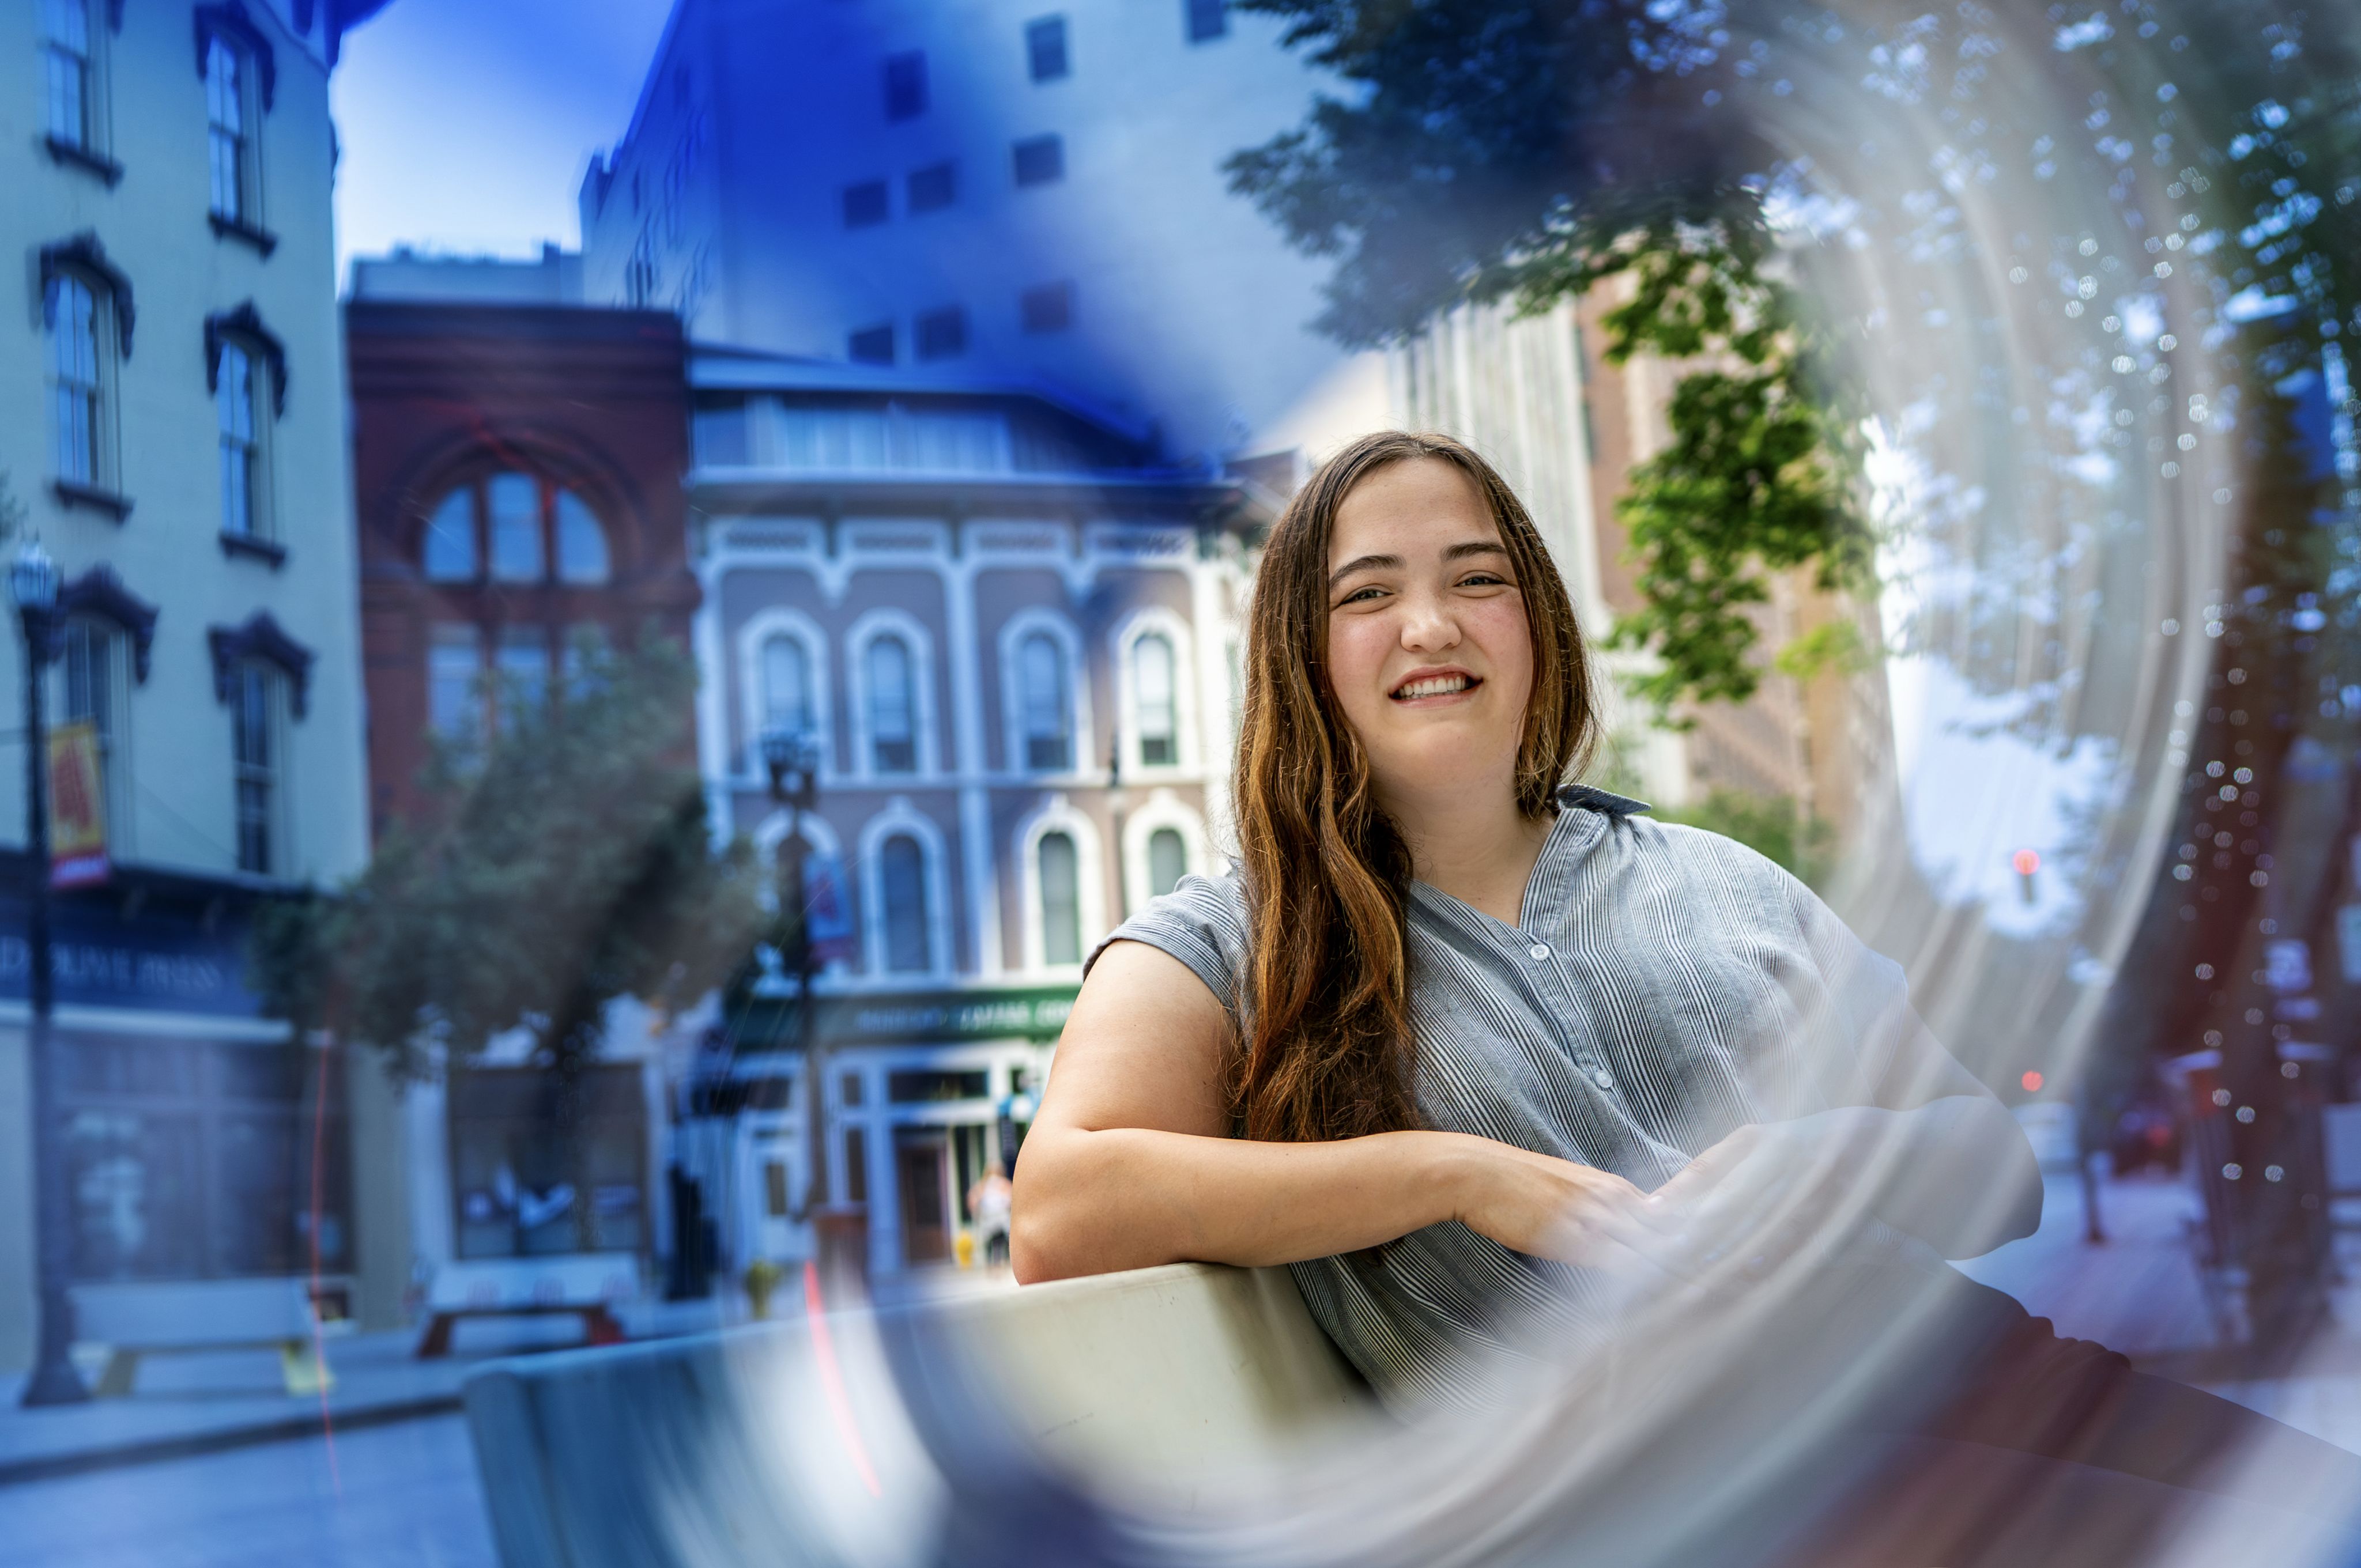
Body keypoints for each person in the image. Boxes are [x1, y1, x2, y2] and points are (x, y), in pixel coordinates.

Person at [1009, 432, 2361, 1562]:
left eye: (1476, 578)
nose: (1430, 623)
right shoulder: (1230, 936)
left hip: (1981, 1386)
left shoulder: (1724, 877)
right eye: (1368, 592)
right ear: (1303, 654)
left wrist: (1817, 1154)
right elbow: (1065, 1204)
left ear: (1533, 622)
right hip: (1690, 1506)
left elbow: (1988, 1156)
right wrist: (1461, 1176)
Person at [969, 1165, 1015, 1268]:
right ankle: (995, 1264)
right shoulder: (985, 1185)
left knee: (1000, 1241)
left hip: (998, 1220)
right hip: (992, 1220)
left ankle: (999, 1263)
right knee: (995, 1242)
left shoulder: (1000, 1184)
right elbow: (973, 1199)